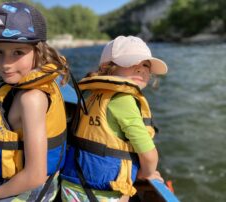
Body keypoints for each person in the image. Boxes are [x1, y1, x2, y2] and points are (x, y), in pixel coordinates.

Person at [0, 2, 70, 201]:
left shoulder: (32, 99)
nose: (5, 64)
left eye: (18, 52)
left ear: (39, 51)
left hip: (30, 191)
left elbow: (35, 175)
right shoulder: (27, 83)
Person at [61, 35, 168, 202]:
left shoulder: (92, 94)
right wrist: (145, 174)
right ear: (107, 68)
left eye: (146, 65)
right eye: (132, 63)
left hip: (72, 185)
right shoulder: (123, 100)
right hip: (103, 193)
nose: (141, 69)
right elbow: (149, 155)